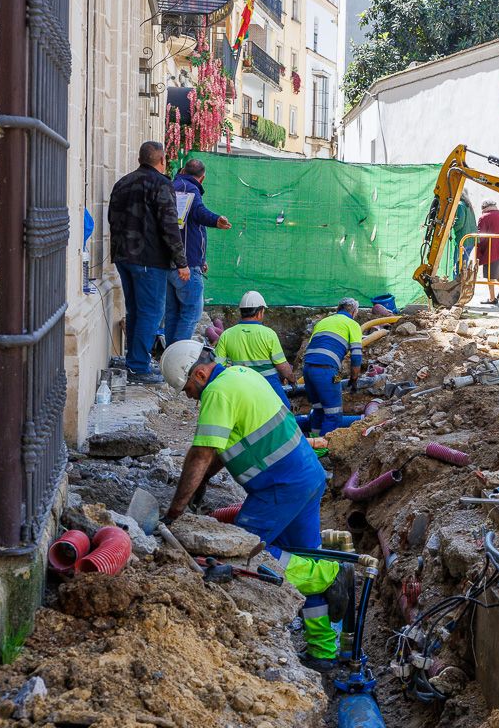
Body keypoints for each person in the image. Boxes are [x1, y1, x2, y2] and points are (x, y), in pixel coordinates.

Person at [159, 340, 371, 671]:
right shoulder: (241, 374)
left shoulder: (217, 392)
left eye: (187, 388)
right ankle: (324, 651)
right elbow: (218, 450)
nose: (188, 396)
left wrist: (174, 512)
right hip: (306, 475)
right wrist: (199, 488)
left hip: (278, 487)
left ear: (200, 374)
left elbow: (202, 453)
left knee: (243, 555)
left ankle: (329, 574)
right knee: (303, 559)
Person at [108, 141, 189, 384]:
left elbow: (112, 218)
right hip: (148, 259)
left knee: (135, 310)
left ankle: (134, 359)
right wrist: (181, 262)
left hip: (123, 257)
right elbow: (169, 226)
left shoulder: (122, 182)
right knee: (151, 312)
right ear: (162, 160)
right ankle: (138, 366)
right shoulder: (161, 184)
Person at [165, 159, 231, 346]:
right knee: (191, 312)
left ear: (183, 169)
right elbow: (199, 212)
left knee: (173, 312)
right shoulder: (189, 189)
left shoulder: (172, 185)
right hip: (185, 264)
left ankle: (169, 356)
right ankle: (178, 358)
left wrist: (201, 259)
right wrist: (216, 219)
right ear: (202, 178)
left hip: (168, 262)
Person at [213, 291, 294, 409]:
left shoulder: (226, 335)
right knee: (284, 411)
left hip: (240, 383)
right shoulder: (269, 334)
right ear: (260, 312)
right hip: (269, 383)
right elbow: (282, 366)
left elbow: (218, 366)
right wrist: (292, 379)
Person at [302, 298, 364, 436]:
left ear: (338, 309)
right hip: (326, 370)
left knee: (318, 410)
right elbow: (356, 355)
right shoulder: (352, 324)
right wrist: (354, 379)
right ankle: (323, 449)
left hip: (307, 369)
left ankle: (314, 444)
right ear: (354, 312)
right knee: (333, 414)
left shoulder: (323, 322)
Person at [452, 190, 477, 274]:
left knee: (455, 264)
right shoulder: (468, 206)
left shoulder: (460, 205)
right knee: (463, 265)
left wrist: (451, 230)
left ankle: (456, 283)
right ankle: (462, 283)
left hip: (462, 239)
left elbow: (459, 222)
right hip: (470, 240)